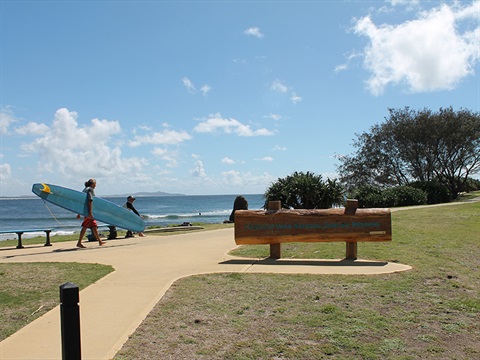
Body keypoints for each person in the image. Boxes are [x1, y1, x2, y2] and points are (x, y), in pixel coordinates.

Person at [76, 178, 106, 248]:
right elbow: (90, 200)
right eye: (95, 183)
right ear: (92, 184)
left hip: (85, 211)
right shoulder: (90, 189)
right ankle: (79, 243)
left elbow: (80, 202)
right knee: (85, 226)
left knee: (94, 226)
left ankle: (99, 241)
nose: (96, 185)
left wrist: (79, 213)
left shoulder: (85, 189)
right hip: (88, 212)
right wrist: (90, 212)